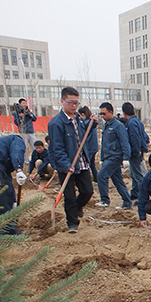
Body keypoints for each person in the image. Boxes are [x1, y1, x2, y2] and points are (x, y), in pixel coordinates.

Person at [48, 87, 98, 233]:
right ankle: (72, 223)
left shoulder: (77, 119)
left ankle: (77, 208)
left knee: (88, 191)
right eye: (71, 102)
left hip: (81, 162)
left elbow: (83, 137)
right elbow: (57, 148)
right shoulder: (56, 123)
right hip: (67, 165)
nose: (74, 106)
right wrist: (65, 164)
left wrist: (92, 124)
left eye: (76, 103)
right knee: (69, 196)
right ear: (62, 101)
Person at [95, 102, 132, 210]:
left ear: (111, 112)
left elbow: (124, 142)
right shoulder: (106, 126)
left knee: (101, 175)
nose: (102, 116)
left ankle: (104, 200)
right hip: (108, 157)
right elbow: (104, 144)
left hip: (115, 157)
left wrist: (126, 158)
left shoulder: (118, 126)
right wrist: (102, 158)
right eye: (100, 114)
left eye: (104, 113)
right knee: (117, 180)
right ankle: (127, 202)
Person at [122, 102, 150, 201]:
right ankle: (135, 193)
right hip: (139, 151)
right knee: (134, 174)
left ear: (124, 113)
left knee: (138, 175)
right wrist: (147, 142)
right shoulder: (137, 121)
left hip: (135, 152)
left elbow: (135, 138)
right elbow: (143, 135)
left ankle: (143, 197)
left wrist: (136, 151)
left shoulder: (131, 123)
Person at [78, 106, 99, 183]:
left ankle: (93, 179)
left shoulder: (87, 124)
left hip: (89, 147)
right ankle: (96, 179)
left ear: (83, 114)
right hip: (94, 147)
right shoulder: (90, 122)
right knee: (92, 164)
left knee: (88, 164)